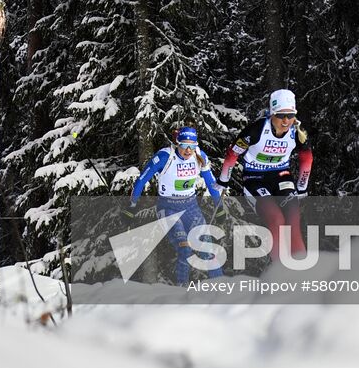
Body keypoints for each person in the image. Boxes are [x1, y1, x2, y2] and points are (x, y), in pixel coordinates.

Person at [219, 89, 312, 261]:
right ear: (271, 114)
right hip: (255, 179)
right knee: (276, 219)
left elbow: (307, 158)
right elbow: (233, 154)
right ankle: (279, 270)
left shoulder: (298, 132)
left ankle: (301, 270)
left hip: (281, 176)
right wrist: (222, 181)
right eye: (281, 115)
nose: (286, 121)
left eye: (290, 115)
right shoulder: (256, 130)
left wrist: (302, 188)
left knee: (293, 218)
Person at [127, 126, 224, 283]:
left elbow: (211, 182)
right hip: (168, 207)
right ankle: (181, 292)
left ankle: (221, 288)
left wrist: (219, 207)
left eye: (192, 146)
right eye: (185, 145)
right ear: (177, 143)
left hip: (191, 207)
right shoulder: (165, 156)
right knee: (185, 250)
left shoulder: (199, 156)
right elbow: (142, 179)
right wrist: (131, 206)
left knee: (207, 249)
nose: (188, 150)